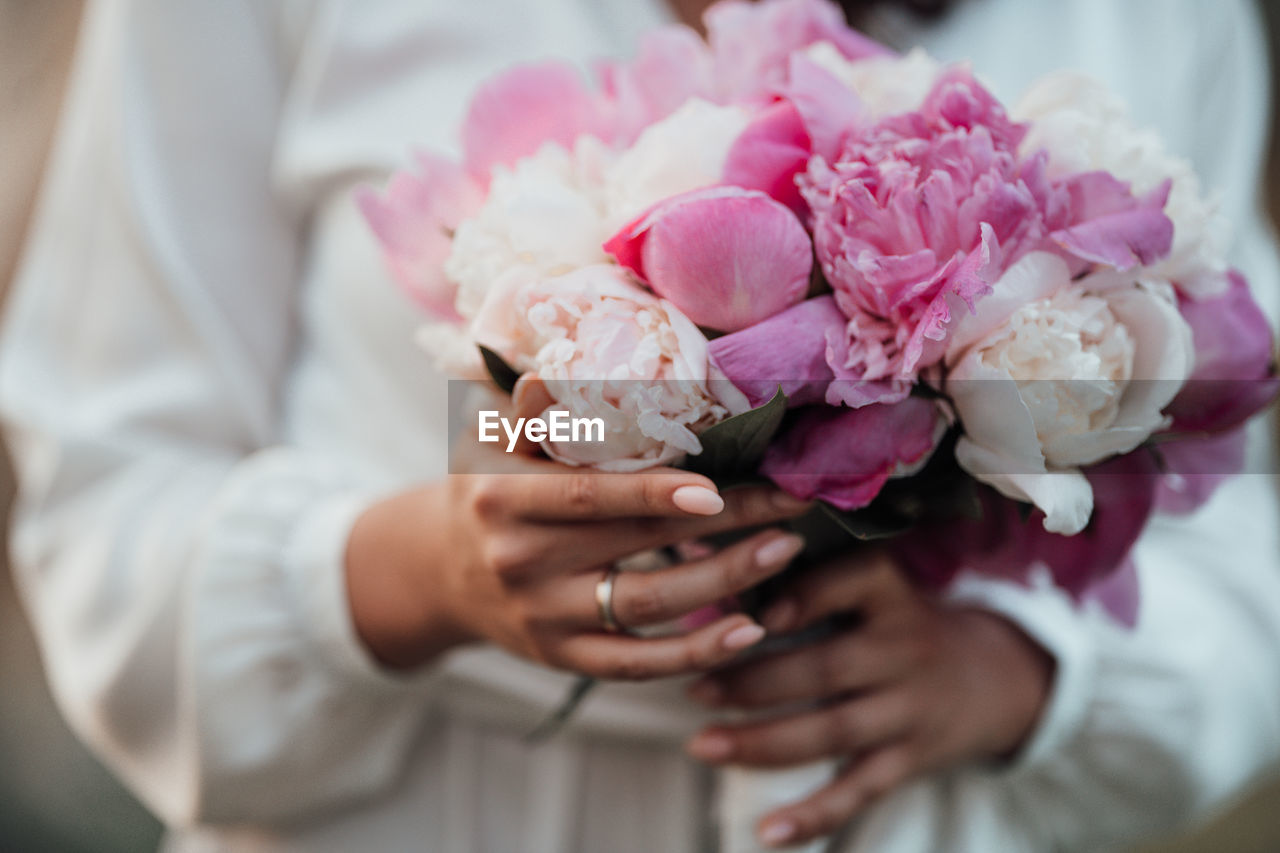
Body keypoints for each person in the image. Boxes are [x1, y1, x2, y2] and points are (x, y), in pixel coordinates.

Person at [1, 1, 1277, 852]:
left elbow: (1238, 512)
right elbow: (107, 482)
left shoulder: (1155, 23)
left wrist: (1016, 670)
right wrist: (427, 568)